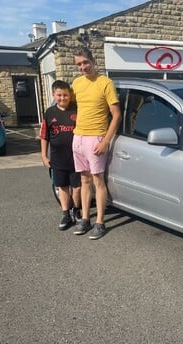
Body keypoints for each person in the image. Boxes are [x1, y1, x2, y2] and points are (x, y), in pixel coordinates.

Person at [71, 47, 122, 240]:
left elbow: (116, 115)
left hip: (96, 138)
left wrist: (106, 142)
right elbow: (73, 106)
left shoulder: (105, 83)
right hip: (79, 138)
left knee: (98, 181)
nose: (83, 67)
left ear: (93, 61)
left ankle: (100, 222)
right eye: (79, 64)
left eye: (85, 62)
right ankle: (85, 218)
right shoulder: (76, 83)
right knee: (84, 181)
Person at [40, 80, 82, 230]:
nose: (63, 98)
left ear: (70, 95)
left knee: (77, 187)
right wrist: (44, 156)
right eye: (59, 95)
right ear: (53, 95)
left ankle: (76, 210)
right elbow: (44, 136)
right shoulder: (49, 113)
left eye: (65, 95)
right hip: (58, 159)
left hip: (76, 157)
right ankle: (66, 213)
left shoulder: (77, 110)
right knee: (62, 186)